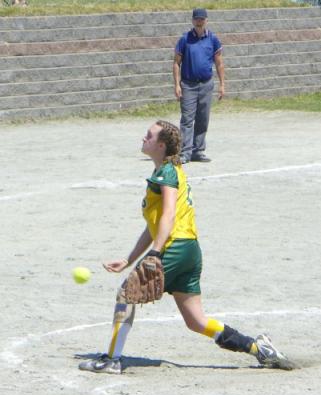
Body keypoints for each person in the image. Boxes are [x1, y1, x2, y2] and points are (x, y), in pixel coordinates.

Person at [79, 120, 294, 375]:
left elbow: (168, 215)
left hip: (175, 247)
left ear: (160, 145)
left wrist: (156, 253)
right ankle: (258, 348)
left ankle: (112, 360)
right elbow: (154, 225)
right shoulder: (171, 171)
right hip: (190, 249)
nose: (143, 138)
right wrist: (129, 259)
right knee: (196, 321)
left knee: (126, 294)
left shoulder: (166, 173)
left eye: (148, 136)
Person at [173, 8, 225, 164]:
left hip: (206, 84)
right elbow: (176, 63)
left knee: (203, 119)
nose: (199, 21)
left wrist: (222, 84)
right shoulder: (185, 39)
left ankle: (198, 151)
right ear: (192, 20)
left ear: (206, 20)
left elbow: (219, 63)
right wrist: (177, 84)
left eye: (202, 19)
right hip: (188, 85)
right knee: (187, 119)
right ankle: (185, 153)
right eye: (197, 19)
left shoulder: (213, 39)